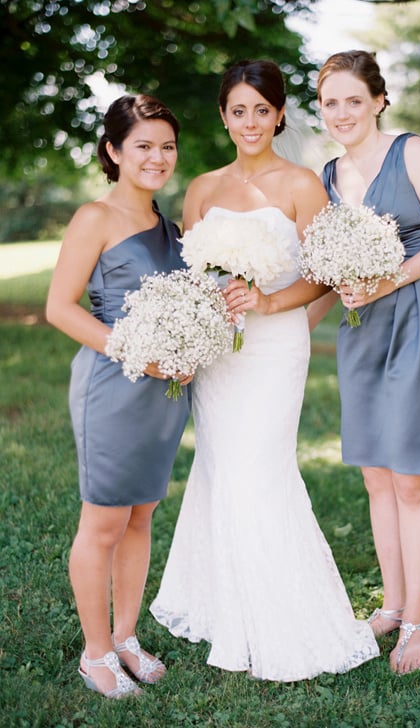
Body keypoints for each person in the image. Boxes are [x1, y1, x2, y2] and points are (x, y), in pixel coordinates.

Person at [150, 59, 379, 681]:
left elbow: (322, 273)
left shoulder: (303, 184)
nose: (250, 122)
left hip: (275, 348)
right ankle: (231, 614)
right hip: (219, 355)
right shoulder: (201, 188)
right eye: (237, 110)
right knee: (221, 471)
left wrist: (270, 301)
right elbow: (192, 278)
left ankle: (287, 624)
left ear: (279, 115)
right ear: (223, 116)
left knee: (259, 473)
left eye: (261, 109)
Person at [308, 50, 420, 675]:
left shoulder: (414, 154)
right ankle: (394, 603)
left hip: (416, 320)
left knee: (410, 477)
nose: (343, 112)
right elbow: (326, 271)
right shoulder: (328, 174)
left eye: (354, 99)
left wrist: (387, 282)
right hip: (361, 329)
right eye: (330, 102)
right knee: (376, 474)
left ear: (378, 101)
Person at [46, 94, 192, 698]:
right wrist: (138, 353)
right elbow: (58, 308)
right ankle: (96, 652)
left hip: (165, 395)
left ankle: (127, 636)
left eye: (167, 146)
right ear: (113, 151)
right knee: (104, 521)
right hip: (114, 383)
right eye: (143, 146)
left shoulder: (173, 227)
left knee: (140, 516)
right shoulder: (94, 218)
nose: (157, 157)